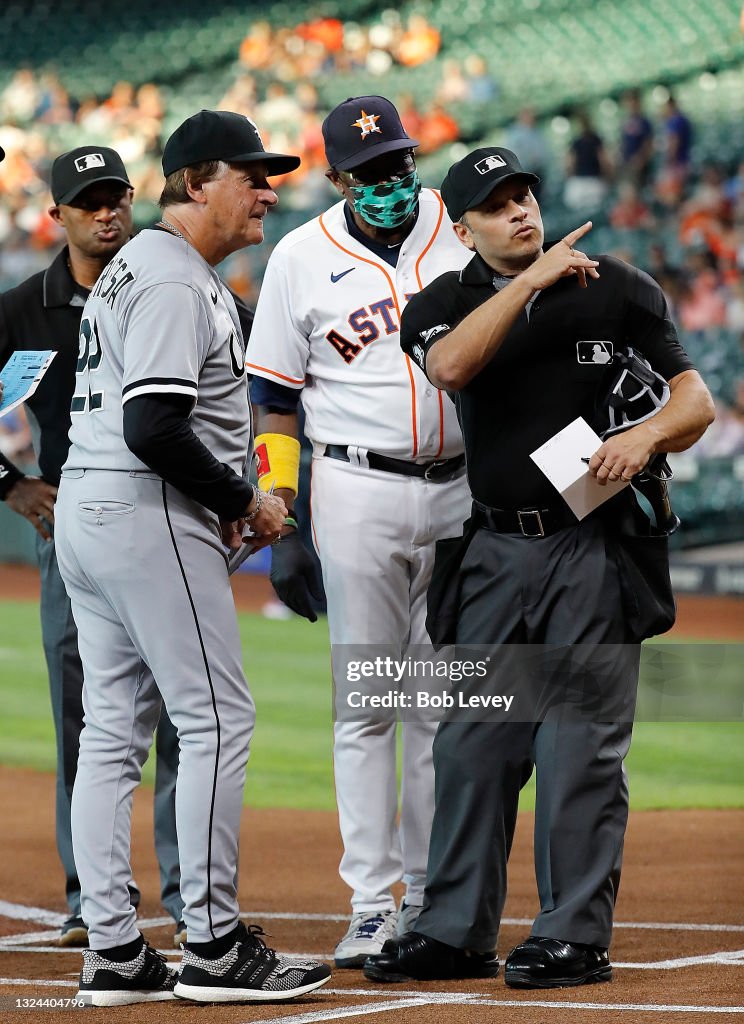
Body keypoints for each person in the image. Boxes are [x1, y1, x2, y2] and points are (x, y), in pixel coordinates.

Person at [363, 146, 714, 987]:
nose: (521, 211)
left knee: (577, 748)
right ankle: (453, 931)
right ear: (463, 225)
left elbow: (694, 398)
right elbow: (450, 368)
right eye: (498, 204)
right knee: (472, 747)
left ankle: (574, 934)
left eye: (526, 193)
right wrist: (527, 284)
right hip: (491, 548)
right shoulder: (439, 304)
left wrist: (645, 435)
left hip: (592, 547)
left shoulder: (619, 286)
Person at [53, 109, 331, 1005]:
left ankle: (115, 950)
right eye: (249, 174)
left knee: (111, 733)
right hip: (145, 508)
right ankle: (213, 947)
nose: (267, 189)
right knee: (216, 721)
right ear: (193, 182)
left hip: (92, 512)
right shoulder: (174, 278)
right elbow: (155, 424)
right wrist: (245, 499)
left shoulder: (136, 266)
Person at [245, 95, 472, 967]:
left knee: (440, 704)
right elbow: (274, 396)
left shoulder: (458, 226)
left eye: (401, 163)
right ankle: (372, 901)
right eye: (370, 172)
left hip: (458, 491)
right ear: (339, 178)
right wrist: (285, 520)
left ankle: (427, 893)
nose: (391, 181)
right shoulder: (302, 256)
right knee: (371, 704)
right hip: (353, 489)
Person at [0, 145, 186, 947]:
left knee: (190, 714)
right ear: (59, 217)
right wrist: (10, 486)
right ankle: (91, 897)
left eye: (118, 197)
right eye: (89, 201)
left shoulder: (171, 281)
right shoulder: (20, 310)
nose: (108, 212)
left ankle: (188, 894)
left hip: (173, 516)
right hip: (72, 527)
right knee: (84, 714)